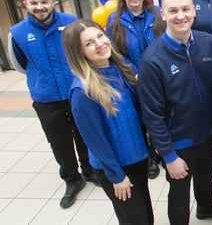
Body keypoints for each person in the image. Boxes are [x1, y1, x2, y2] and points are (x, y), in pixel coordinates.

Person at [138, 0, 212, 224]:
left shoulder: (208, 42)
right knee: (179, 193)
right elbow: (152, 116)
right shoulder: (152, 60)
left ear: (194, 11)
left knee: (205, 177)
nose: (180, 15)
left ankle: (206, 207)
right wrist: (169, 156)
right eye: (173, 11)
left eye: (185, 9)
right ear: (163, 14)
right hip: (178, 141)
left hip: (209, 134)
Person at [7, 0, 95, 209]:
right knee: (58, 141)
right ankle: (72, 179)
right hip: (46, 97)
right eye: (34, 3)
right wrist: (42, 79)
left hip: (76, 91)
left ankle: (90, 170)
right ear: (25, 4)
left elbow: (84, 52)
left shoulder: (71, 23)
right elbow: (20, 65)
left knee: (84, 133)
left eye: (44, 2)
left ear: (53, 1)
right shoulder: (17, 33)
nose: (40, 7)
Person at [62, 19, 154, 225]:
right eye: (89, 43)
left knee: (146, 216)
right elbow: (96, 142)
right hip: (115, 167)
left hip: (137, 157)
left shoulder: (120, 68)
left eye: (100, 36)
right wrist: (117, 176)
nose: (100, 44)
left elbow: (135, 112)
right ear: (78, 52)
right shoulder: (83, 92)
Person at [105, 0, 165, 179]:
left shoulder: (156, 14)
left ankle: (163, 151)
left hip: (157, 77)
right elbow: (113, 51)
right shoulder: (114, 19)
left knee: (159, 114)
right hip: (131, 80)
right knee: (139, 120)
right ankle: (149, 157)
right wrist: (134, 72)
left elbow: (165, 44)